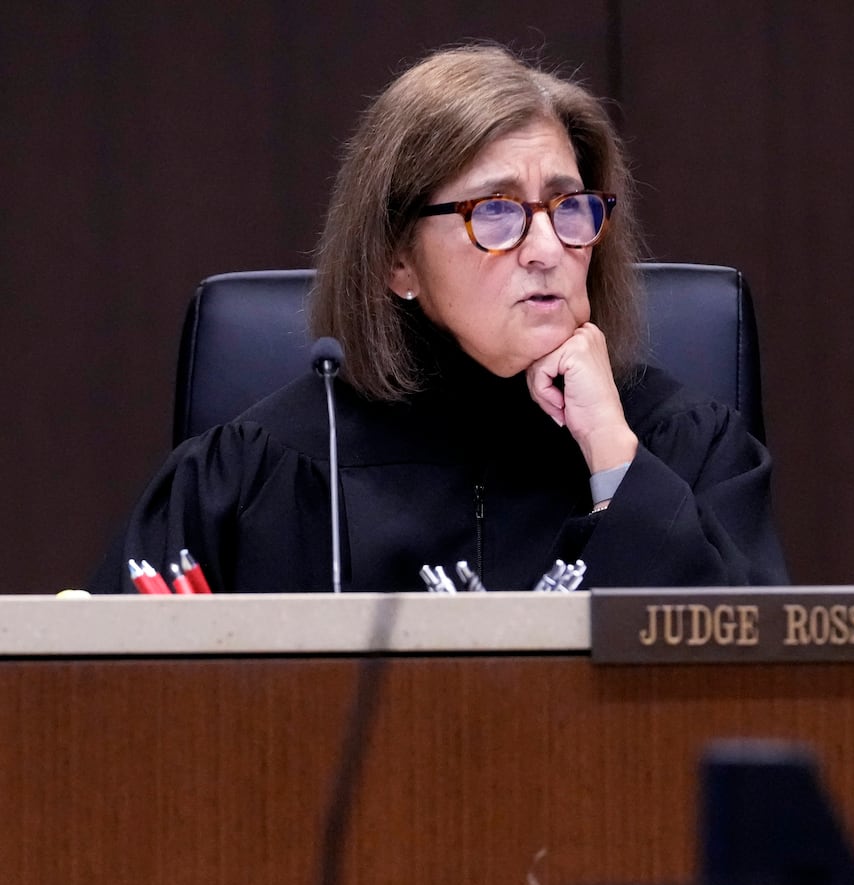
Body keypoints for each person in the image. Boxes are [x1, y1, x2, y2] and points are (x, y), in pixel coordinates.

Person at [91, 44, 787, 593]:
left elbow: (749, 691)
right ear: (399, 259)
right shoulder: (245, 481)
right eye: (496, 212)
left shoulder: (687, 447)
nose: (547, 248)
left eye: (568, 206)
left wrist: (614, 460)